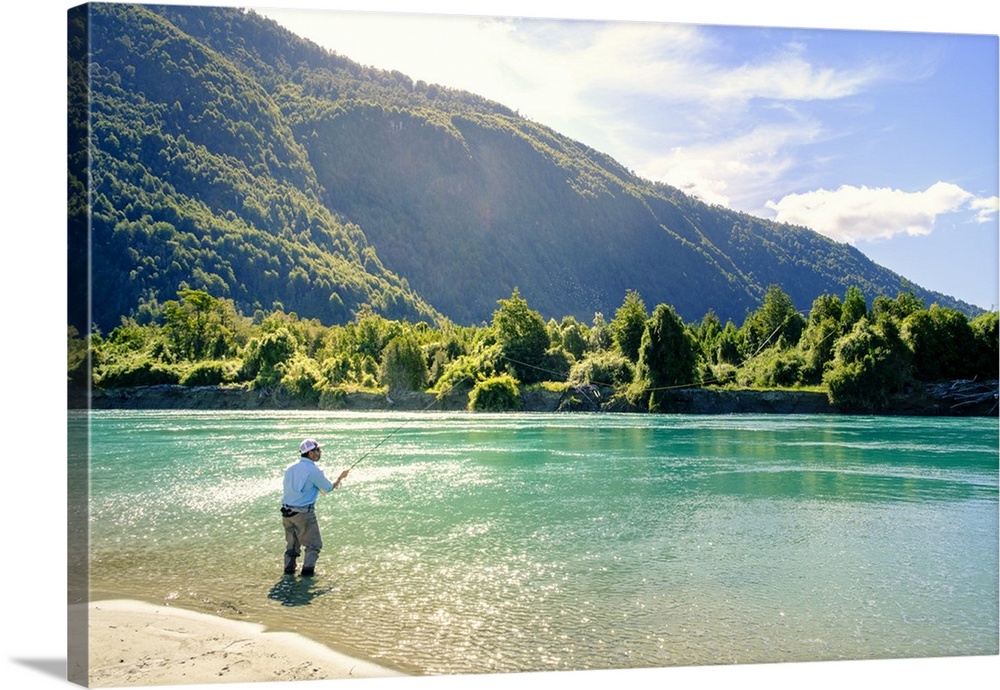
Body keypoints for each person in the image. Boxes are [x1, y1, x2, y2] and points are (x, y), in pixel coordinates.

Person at [281, 439, 349, 576]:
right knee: (313, 545)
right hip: (303, 514)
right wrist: (340, 478)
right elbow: (329, 488)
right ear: (310, 453)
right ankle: (307, 576)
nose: (320, 452)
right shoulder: (313, 470)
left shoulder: (290, 469)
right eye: (318, 450)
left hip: (287, 514)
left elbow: (296, 489)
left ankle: (288, 574)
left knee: (292, 546)